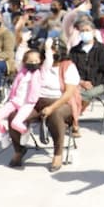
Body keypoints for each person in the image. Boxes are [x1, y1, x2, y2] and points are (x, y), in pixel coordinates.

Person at [8, 37, 82, 172]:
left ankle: (58, 153)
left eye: (56, 49)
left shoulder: (68, 66)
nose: (53, 52)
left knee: (55, 114)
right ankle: (19, 150)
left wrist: (52, 107)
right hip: (35, 101)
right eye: (50, 49)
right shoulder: (39, 64)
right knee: (13, 115)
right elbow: (20, 63)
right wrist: (23, 43)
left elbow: (69, 93)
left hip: (59, 102)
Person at [0, 42, 51, 148]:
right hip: (15, 101)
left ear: (40, 62)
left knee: (15, 123)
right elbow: (19, 58)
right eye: (30, 61)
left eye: (36, 61)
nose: (33, 63)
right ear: (25, 62)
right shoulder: (22, 71)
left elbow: (48, 62)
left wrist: (47, 49)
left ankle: (25, 131)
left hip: (28, 103)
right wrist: (22, 43)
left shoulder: (41, 72)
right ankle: (4, 134)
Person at [69, 18, 104, 126]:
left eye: (87, 30)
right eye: (82, 31)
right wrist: (81, 82)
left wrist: (92, 83)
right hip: (78, 82)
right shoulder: (74, 50)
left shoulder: (102, 49)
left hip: (98, 83)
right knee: (71, 94)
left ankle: (74, 120)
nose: (84, 33)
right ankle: (73, 119)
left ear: (93, 31)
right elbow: (71, 70)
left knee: (84, 95)